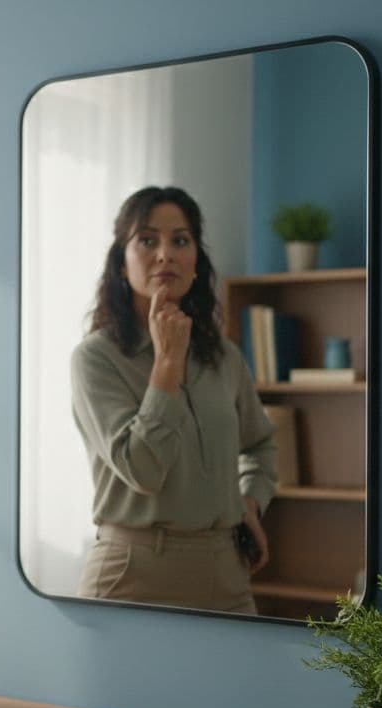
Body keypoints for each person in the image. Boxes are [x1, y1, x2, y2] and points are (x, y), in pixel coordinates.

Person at [71, 186, 275, 614]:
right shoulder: (95, 358)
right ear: (121, 263)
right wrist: (167, 361)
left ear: (196, 261)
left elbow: (260, 444)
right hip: (131, 574)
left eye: (180, 240)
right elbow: (142, 469)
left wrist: (249, 501)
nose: (165, 254)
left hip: (226, 572)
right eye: (147, 240)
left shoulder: (225, 357)